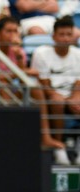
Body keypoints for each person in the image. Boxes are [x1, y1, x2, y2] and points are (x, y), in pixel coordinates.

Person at [30, 15, 80, 164]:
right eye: (62, 34)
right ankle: (59, 147)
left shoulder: (78, 54)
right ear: (53, 36)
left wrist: (75, 97)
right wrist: (66, 99)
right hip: (53, 96)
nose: (65, 38)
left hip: (71, 95)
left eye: (69, 34)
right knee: (57, 101)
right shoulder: (41, 53)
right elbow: (45, 85)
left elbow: (78, 82)